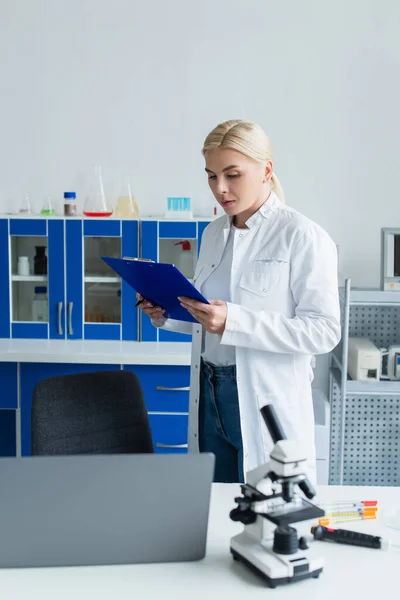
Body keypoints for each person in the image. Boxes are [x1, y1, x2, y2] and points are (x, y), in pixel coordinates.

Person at [137, 119, 341, 485]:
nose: (220, 188)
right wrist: (165, 312)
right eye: (211, 176)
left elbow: (324, 332)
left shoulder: (303, 236)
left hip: (262, 398)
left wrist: (234, 321)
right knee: (211, 510)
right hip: (209, 389)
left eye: (232, 174)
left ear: (266, 170)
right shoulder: (213, 232)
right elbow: (207, 314)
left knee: (264, 514)